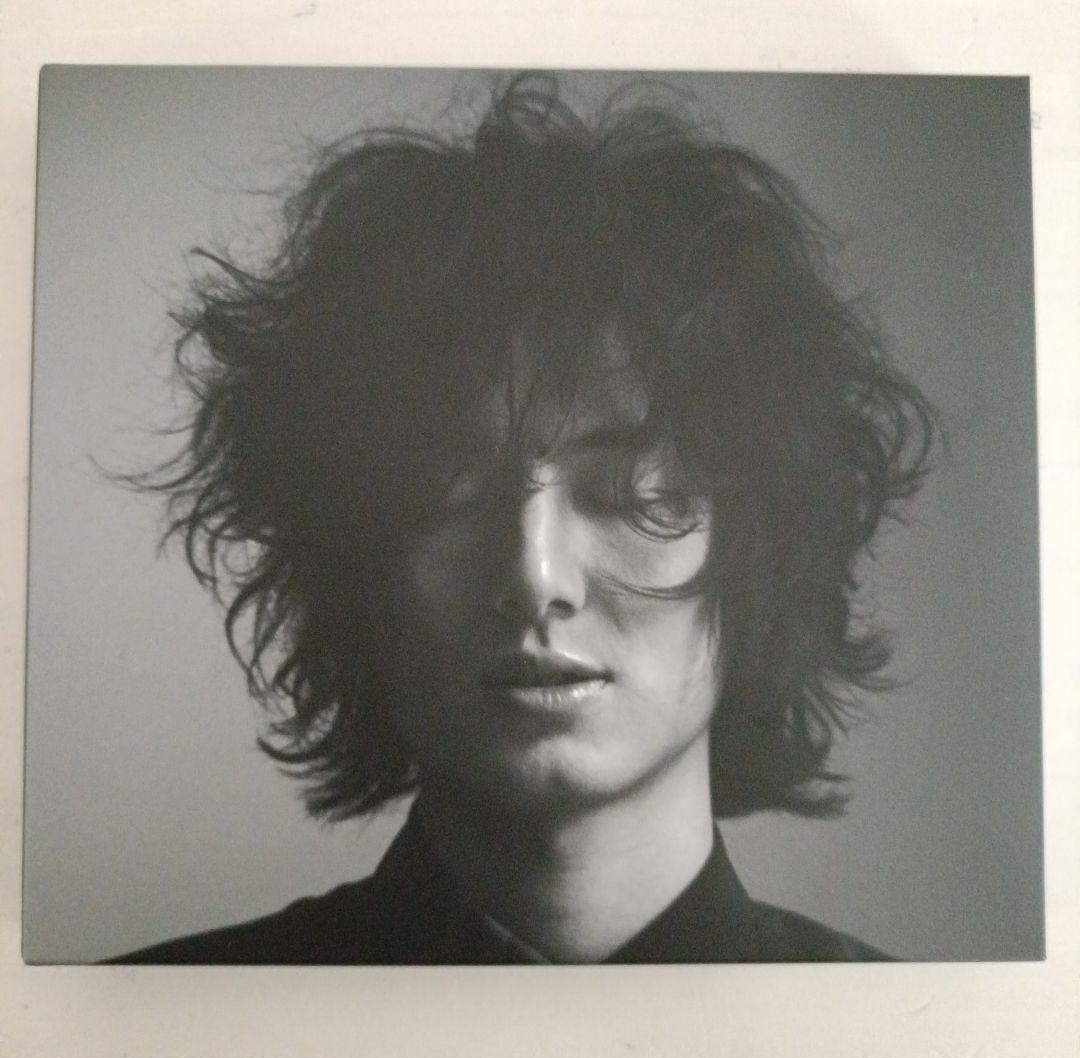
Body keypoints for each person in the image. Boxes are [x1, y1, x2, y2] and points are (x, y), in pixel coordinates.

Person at [112, 75, 936, 964]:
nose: (535, 576)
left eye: (627, 489)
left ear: (760, 554)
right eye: (448, 492)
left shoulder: (914, 1031)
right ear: (356, 565)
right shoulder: (166, 1018)